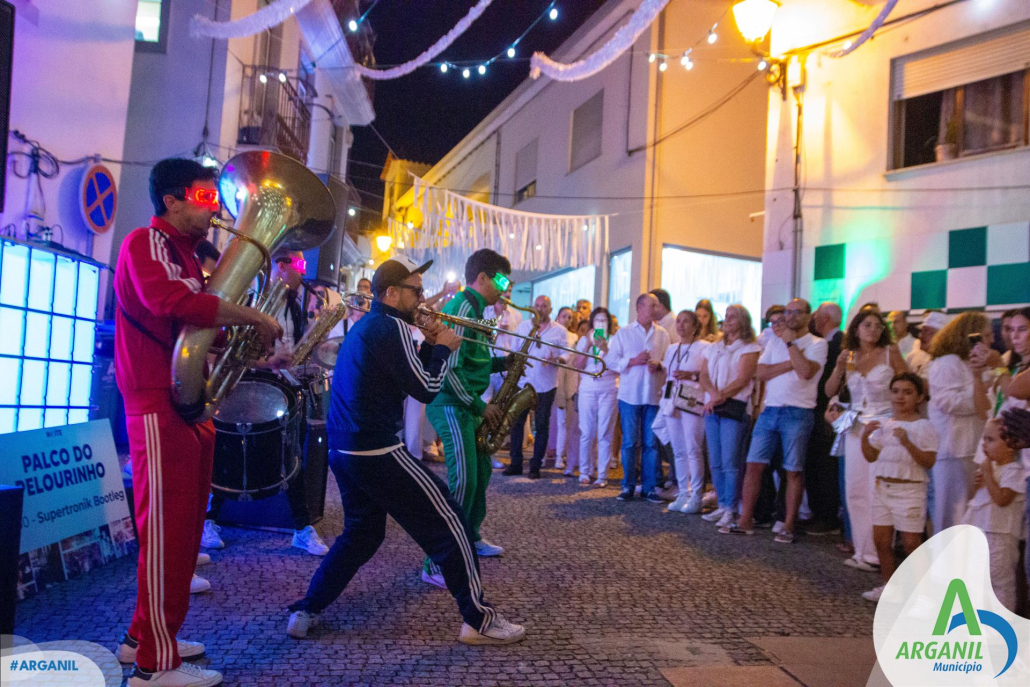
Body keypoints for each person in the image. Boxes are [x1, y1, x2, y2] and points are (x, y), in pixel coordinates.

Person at [286, 255, 525, 646]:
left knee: (361, 535)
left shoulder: (372, 327)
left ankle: (306, 609)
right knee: (452, 522)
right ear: (392, 293)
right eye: (417, 292)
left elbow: (411, 376)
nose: (424, 300)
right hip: (377, 449)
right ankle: (478, 620)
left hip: (345, 450)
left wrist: (431, 346)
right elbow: (429, 388)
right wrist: (445, 347)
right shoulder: (392, 325)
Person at [115, 158, 282, 687]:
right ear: (172, 199)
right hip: (155, 399)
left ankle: (145, 636)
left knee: (185, 530)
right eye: (207, 199)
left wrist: (243, 342)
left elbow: (199, 322)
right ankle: (152, 668)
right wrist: (251, 316)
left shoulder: (187, 254)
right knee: (164, 530)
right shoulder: (146, 243)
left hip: (187, 401)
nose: (217, 210)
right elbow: (170, 302)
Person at [203, 248, 329, 557]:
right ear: (282, 266)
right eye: (299, 264)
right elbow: (234, 345)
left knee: (293, 452)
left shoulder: (299, 301)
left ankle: (301, 527)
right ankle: (208, 518)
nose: (303, 270)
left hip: (285, 382)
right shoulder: (254, 298)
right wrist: (267, 360)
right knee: (229, 451)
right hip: (249, 381)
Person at [423, 249, 513, 586]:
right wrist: (480, 406)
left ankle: (470, 535)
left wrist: (505, 363)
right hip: (452, 403)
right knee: (463, 481)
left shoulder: (478, 311)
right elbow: (449, 369)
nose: (506, 289)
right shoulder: (462, 307)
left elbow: (475, 360)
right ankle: (435, 561)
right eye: (502, 280)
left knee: (483, 469)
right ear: (483, 278)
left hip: (466, 403)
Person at [724, 299, 828, 543]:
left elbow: (805, 372)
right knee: (753, 465)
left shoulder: (817, 343)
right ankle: (745, 520)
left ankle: (789, 525)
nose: (790, 316)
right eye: (788, 312)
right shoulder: (773, 341)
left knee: (793, 469)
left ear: (808, 316)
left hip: (798, 412)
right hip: (771, 409)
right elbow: (760, 373)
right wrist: (790, 362)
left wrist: (790, 343)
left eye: (796, 312)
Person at [825, 308, 907, 570]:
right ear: (856, 329)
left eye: (878, 326)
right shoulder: (849, 356)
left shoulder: (889, 353)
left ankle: (877, 553)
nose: (873, 330)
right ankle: (861, 549)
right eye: (867, 325)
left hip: (882, 425)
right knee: (855, 489)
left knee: (876, 490)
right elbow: (829, 390)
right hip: (855, 425)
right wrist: (838, 368)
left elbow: (911, 383)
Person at [859, 373, 937, 603]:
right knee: (882, 541)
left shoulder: (924, 426)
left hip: (910, 490)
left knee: (912, 543)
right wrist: (865, 437)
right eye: (896, 391)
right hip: (883, 487)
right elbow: (872, 456)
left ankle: (922, 595)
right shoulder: (885, 423)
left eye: (907, 392)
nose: (900, 397)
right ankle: (890, 586)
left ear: (920, 397)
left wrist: (907, 442)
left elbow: (928, 461)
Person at [927, 312, 993, 533]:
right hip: (953, 448)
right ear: (968, 336)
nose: (991, 341)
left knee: (969, 514)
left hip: (974, 446)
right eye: (985, 335)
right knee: (950, 513)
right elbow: (948, 402)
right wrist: (979, 392)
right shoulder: (948, 363)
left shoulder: (976, 364)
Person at [698, 304, 762, 527]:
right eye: (726, 316)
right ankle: (723, 503)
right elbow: (703, 374)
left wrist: (720, 395)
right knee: (715, 460)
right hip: (712, 406)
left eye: (733, 317)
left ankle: (732, 507)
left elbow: (743, 378)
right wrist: (713, 394)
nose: (728, 320)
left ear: (744, 321)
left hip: (733, 406)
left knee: (730, 461)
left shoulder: (749, 348)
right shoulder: (714, 348)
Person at [606, 293, 671, 502]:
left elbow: (668, 361)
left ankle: (650, 487)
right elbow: (610, 361)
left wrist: (658, 365)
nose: (657, 309)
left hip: (652, 394)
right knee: (630, 442)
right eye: (653, 305)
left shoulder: (662, 334)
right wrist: (632, 361)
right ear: (640, 307)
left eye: (657, 306)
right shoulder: (624, 333)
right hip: (630, 395)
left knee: (651, 443)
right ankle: (628, 485)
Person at [962, 418, 1027, 612]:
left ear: (1010, 446)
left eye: (990, 439)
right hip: (981, 531)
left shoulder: (1015, 471)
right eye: (984, 439)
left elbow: (1002, 499)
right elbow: (976, 500)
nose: (984, 444)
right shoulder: (992, 469)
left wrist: (988, 476)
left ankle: (1003, 629)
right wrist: (978, 483)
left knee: (1000, 584)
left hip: (1000, 536)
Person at [504, 295, 571, 478]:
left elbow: (567, 353)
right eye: (537, 305)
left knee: (542, 425)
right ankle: (515, 462)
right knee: (517, 422)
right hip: (523, 382)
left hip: (546, 384)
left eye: (544, 306)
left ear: (550, 309)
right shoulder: (524, 326)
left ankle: (535, 466)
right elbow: (515, 349)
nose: (540, 309)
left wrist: (556, 359)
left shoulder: (560, 331)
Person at [658, 310, 711, 513]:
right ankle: (682, 492)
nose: (680, 325)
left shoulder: (704, 347)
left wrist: (692, 375)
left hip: (692, 400)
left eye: (686, 322)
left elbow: (709, 374)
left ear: (695, 326)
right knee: (678, 449)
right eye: (678, 321)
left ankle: (697, 494)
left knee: (693, 448)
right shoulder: (672, 349)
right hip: (672, 400)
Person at [806, 302, 845, 537]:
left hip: (827, 412)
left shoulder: (840, 343)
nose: (813, 319)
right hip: (819, 409)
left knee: (824, 466)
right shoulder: (828, 341)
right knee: (817, 464)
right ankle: (820, 513)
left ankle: (826, 516)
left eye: (816, 316)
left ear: (824, 319)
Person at [574, 307, 619, 487]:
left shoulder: (615, 341)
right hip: (587, 387)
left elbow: (618, 367)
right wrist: (587, 345)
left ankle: (602, 474)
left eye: (604, 320)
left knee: (605, 432)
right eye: (597, 320)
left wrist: (606, 349)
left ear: (609, 323)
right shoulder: (584, 340)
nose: (601, 323)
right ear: (592, 323)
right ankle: (585, 471)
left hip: (608, 387)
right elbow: (577, 365)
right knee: (586, 431)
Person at [553, 306, 580, 474]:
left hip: (568, 377)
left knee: (564, 420)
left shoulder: (573, 337)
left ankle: (559, 456)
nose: (567, 320)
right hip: (553, 376)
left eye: (570, 317)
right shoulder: (552, 332)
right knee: (552, 420)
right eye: (564, 316)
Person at [906, 310, 946, 376]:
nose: (921, 336)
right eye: (922, 331)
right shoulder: (913, 355)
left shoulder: (945, 363)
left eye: (927, 331)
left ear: (940, 336)